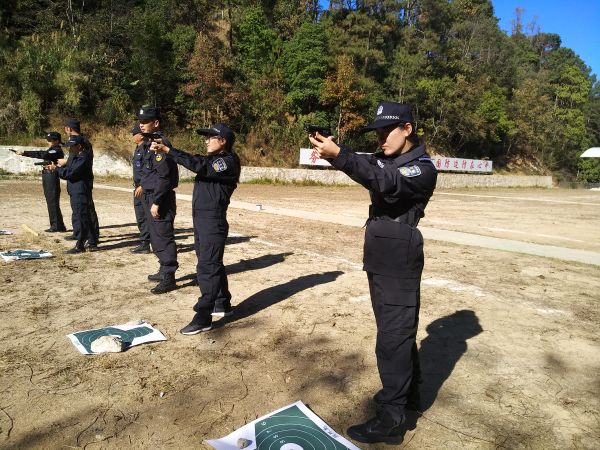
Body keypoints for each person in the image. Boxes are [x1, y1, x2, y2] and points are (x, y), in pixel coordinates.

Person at [309, 101, 437, 445]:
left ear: (407, 129)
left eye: (387, 131)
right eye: (377, 132)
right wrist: (334, 150)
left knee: (392, 338)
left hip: (398, 259)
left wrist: (341, 155)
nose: (381, 138)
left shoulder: (421, 168)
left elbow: (384, 180)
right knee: (397, 331)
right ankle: (410, 395)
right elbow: (368, 164)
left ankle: (392, 419)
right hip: (382, 257)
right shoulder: (389, 159)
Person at [151, 123, 241, 335]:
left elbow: (200, 165)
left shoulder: (227, 161)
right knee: (211, 263)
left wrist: (169, 151)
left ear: (223, 141)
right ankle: (222, 302)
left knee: (207, 268)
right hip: (202, 221)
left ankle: (203, 317)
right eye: (206, 137)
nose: (206, 140)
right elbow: (199, 161)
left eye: (211, 137)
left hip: (213, 221)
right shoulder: (213, 160)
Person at [138, 106, 179, 294]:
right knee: (156, 235)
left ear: (156, 123)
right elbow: (151, 173)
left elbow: (164, 177)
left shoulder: (160, 144)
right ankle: (163, 269)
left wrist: (156, 201)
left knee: (163, 235)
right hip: (151, 195)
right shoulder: (148, 143)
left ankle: (169, 277)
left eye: (146, 121)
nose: (141, 124)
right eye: (141, 121)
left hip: (159, 198)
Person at [47, 135, 98, 254]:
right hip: (76, 190)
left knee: (81, 217)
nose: (70, 149)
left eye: (72, 147)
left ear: (79, 146)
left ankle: (80, 244)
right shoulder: (76, 157)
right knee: (84, 217)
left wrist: (57, 169)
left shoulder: (82, 158)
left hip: (80, 191)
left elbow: (71, 173)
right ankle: (91, 241)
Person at [14, 132, 67, 232]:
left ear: (57, 141)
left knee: (52, 200)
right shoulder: (53, 149)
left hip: (51, 175)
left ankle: (57, 226)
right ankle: (57, 225)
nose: (48, 142)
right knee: (50, 200)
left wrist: (25, 153)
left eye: (50, 140)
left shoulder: (56, 150)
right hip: (48, 174)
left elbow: (42, 154)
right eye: (47, 140)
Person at [64, 119, 100, 246]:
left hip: (82, 182)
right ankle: (79, 232)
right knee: (78, 210)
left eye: (65, 128)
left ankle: (92, 238)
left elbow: (83, 162)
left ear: (69, 129)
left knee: (87, 210)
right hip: (76, 181)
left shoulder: (83, 143)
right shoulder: (75, 143)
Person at [130, 123, 151, 254]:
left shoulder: (146, 148)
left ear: (141, 135)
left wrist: (143, 185)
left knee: (145, 216)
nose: (132, 136)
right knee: (140, 216)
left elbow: (148, 170)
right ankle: (144, 242)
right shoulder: (138, 148)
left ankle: (146, 243)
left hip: (143, 188)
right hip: (137, 187)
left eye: (134, 134)